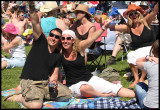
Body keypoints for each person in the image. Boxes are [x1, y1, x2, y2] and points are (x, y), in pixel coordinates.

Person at [4, 1, 72, 109]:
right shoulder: (40, 42)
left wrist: (54, 83)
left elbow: (54, 75)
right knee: (36, 105)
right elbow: (35, 22)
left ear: (59, 40)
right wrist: (31, 5)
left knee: (67, 94)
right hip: (30, 81)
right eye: (52, 35)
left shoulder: (57, 55)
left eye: (57, 37)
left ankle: (38, 94)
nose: (53, 38)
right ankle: (21, 97)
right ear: (48, 36)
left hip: (45, 83)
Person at [61, 29, 135, 98]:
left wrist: (103, 27)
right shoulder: (60, 52)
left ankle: (139, 95)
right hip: (73, 85)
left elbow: (92, 38)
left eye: (68, 38)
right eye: (63, 38)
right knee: (84, 88)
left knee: (114, 88)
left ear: (73, 40)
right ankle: (103, 95)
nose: (65, 41)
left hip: (89, 79)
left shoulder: (80, 48)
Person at [104, 2, 159, 88]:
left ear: (139, 14)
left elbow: (154, 11)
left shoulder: (145, 22)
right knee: (130, 55)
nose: (134, 15)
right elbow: (113, 27)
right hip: (139, 50)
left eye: (136, 13)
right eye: (131, 14)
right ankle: (136, 78)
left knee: (146, 56)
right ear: (129, 17)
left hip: (151, 48)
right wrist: (103, 23)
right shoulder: (128, 27)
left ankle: (142, 78)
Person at [135, 40, 159, 109]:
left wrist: (148, 57)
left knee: (139, 85)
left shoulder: (150, 64)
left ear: (153, 51)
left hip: (150, 106)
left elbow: (137, 61)